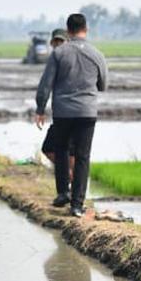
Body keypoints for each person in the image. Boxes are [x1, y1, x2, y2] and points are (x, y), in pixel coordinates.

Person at [35, 13, 109, 217]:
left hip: (63, 112)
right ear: (86, 29)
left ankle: (62, 193)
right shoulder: (97, 54)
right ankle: (77, 205)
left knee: (61, 150)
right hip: (87, 112)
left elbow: (45, 85)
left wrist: (40, 109)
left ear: (68, 31)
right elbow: (103, 85)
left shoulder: (59, 53)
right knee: (83, 157)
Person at [40, 29, 74, 170]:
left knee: (70, 149)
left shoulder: (72, 59)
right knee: (49, 147)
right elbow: (46, 85)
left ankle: (70, 175)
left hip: (72, 110)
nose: (58, 45)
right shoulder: (54, 59)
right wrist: (40, 107)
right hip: (61, 112)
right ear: (52, 44)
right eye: (56, 42)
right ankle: (69, 173)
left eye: (61, 41)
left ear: (67, 42)